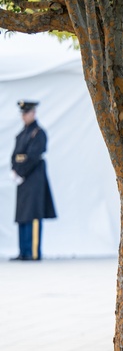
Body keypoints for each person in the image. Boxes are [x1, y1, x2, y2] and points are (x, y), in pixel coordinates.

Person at [10, 100, 56, 261]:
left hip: (34, 178)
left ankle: (33, 251)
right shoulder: (23, 133)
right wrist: (15, 170)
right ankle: (24, 251)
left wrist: (21, 171)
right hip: (22, 179)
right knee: (23, 214)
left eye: (26, 113)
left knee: (34, 214)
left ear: (33, 113)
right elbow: (16, 155)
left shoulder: (38, 133)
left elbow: (33, 156)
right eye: (22, 113)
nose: (24, 116)